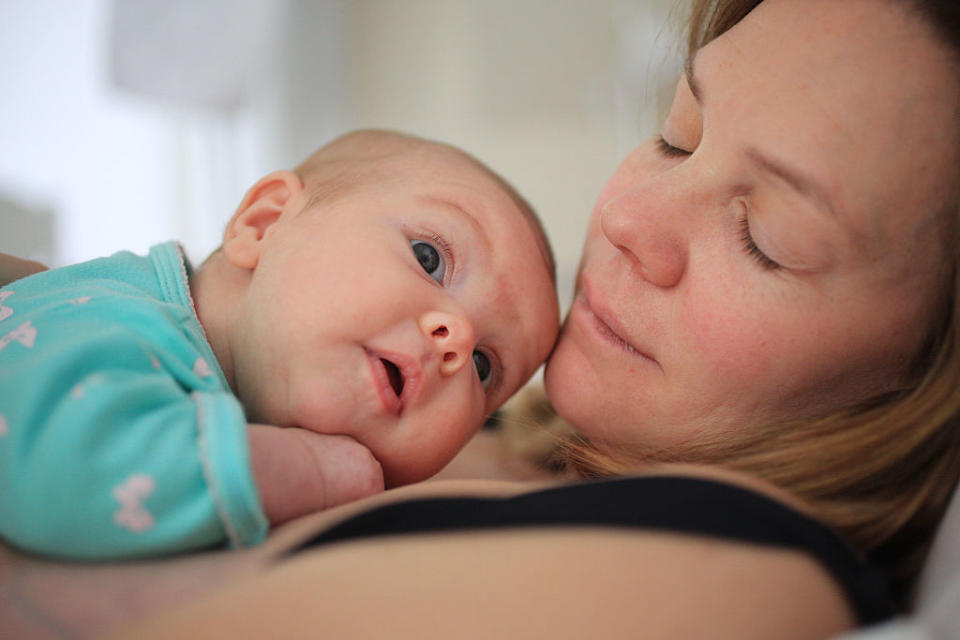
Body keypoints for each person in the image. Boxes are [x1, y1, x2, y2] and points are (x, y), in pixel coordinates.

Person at [1, 0, 957, 637]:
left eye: (766, 238)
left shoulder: (745, 578)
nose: (622, 222)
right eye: (675, 136)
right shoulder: (440, 414)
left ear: (918, 381)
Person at [0, 129, 560, 560]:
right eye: (428, 258)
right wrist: (312, 474)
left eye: (485, 370)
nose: (457, 340)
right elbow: (68, 469)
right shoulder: (107, 320)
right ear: (265, 224)